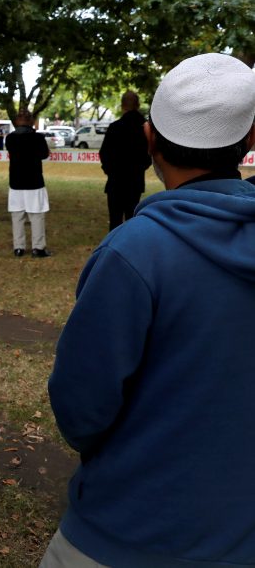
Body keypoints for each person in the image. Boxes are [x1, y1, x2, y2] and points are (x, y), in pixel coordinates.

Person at [43, 53, 255, 568]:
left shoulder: (131, 253)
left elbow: (81, 409)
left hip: (123, 533)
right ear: (248, 142)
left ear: (150, 140)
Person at [99, 90, 151, 231]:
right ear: (138, 105)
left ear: (122, 106)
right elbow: (149, 156)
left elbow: (104, 154)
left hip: (115, 180)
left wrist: (110, 171)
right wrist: (139, 169)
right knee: (131, 219)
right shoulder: (145, 129)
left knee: (115, 221)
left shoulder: (115, 127)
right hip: (135, 181)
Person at [6, 108, 51, 257]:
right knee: (36, 215)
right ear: (31, 121)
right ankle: (38, 248)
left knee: (17, 216)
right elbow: (44, 154)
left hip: (16, 182)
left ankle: (18, 247)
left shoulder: (10, 138)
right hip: (34, 182)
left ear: (17, 121)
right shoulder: (38, 138)